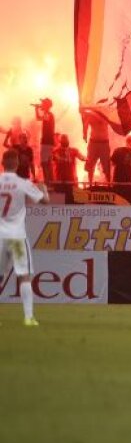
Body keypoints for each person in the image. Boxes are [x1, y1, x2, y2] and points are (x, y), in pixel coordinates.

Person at [0, 149, 48, 326]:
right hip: (17, 237)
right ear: (18, 163)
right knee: (24, 275)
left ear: (2, 163)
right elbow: (45, 201)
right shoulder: (22, 183)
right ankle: (28, 317)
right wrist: (43, 188)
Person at [82, 110, 110, 184]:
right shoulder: (90, 115)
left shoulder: (106, 113)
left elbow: (113, 122)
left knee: (106, 165)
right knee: (90, 164)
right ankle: (90, 183)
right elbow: (85, 125)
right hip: (93, 142)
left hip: (104, 143)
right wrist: (84, 134)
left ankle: (109, 185)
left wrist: (84, 134)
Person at [110, 135, 131, 204]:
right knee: (130, 201)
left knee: (116, 200)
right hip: (129, 180)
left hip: (118, 179)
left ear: (126, 141)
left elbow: (112, 164)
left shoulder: (117, 150)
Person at [35, 98, 54, 184]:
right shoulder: (48, 114)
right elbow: (38, 118)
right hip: (48, 141)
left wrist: (38, 109)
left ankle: (48, 181)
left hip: (47, 141)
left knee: (45, 162)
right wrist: (37, 109)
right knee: (46, 162)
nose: (41, 105)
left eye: (42, 103)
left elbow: (40, 118)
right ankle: (49, 181)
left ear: (46, 105)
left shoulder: (48, 114)